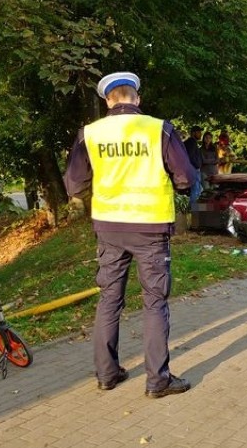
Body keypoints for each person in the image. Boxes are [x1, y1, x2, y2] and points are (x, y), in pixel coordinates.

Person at [64, 71, 197, 399]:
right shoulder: (158, 129)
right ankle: (157, 381)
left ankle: (107, 375)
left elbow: (75, 185)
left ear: (108, 100)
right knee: (154, 303)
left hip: (109, 227)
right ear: (136, 98)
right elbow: (185, 178)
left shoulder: (90, 134)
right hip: (150, 228)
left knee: (109, 299)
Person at [183, 126, 203, 208]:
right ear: (194, 133)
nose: (200, 134)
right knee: (195, 190)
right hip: (194, 169)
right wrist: (196, 165)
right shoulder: (191, 142)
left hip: (194, 168)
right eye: (199, 132)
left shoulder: (191, 142)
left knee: (198, 189)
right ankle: (193, 209)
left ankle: (194, 208)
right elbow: (189, 156)